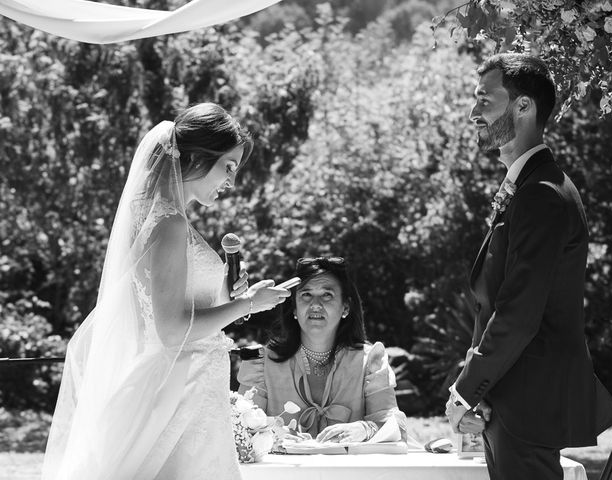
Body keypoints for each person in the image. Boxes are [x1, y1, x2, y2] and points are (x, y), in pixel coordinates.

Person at [41, 103, 290, 480]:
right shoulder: (170, 225)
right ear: (196, 157)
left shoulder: (155, 217)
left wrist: (223, 292)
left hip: (182, 385)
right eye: (228, 166)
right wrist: (247, 304)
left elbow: (176, 308)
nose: (231, 182)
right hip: (179, 392)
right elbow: (172, 329)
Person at [445, 53, 612, 479]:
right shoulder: (529, 187)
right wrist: (477, 387)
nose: (474, 113)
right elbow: (491, 302)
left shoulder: (542, 194)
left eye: (485, 100)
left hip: (527, 405)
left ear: (523, 107)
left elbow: (518, 315)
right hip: (507, 400)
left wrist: (465, 391)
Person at [238, 256, 406, 443]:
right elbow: (239, 430)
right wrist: (274, 436)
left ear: (346, 307)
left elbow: (395, 427)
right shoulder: (260, 363)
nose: (315, 304)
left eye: (327, 295)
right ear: (294, 308)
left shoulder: (371, 362)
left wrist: (365, 429)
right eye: (306, 295)